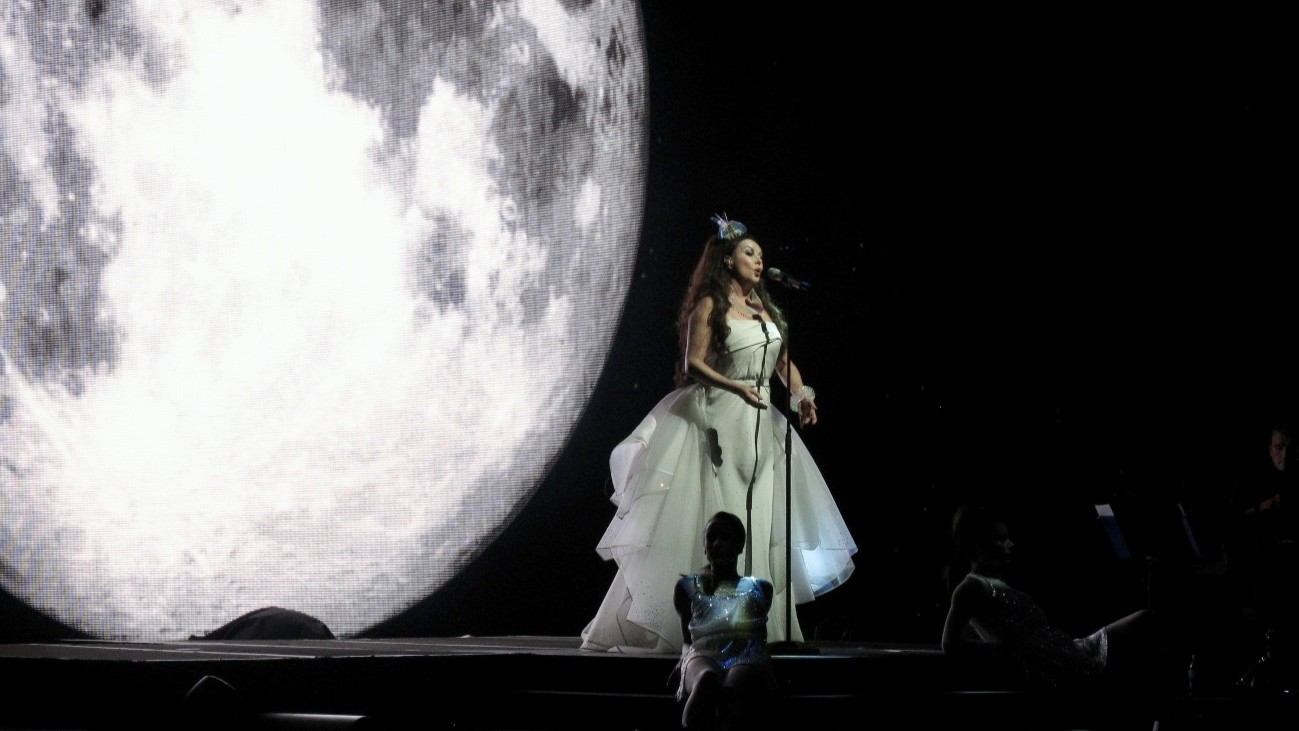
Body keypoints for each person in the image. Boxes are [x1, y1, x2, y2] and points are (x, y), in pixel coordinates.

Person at [580, 214, 857, 653]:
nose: (759, 261)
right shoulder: (711, 305)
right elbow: (693, 363)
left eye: (762, 256)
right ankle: (711, 625)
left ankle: (764, 625)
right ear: (727, 259)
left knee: (762, 517)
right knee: (725, 514)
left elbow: (783, 363)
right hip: (721, 417)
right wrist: (735, 387)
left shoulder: (766, 309)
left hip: (762, 421)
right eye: (750, 252)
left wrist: (802, 394)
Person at [941, 505, 1182, 694]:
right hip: (1053, 666)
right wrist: (1003, 652)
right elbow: (950, 644)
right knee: (1135, 687)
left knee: (1146, 621)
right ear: (977, 545)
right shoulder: (970, 588)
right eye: (1001, 539)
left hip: (1065, 650)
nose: (1010, 544)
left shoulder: (998, 582)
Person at [672, 511, 776, 729]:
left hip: (746, 654)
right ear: (704, 545)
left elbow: (760, 638)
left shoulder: (760, 588)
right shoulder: (688, 587)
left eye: (726, 537)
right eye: (712, 537)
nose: (718, 543)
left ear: (739, 546)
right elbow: (687, 639)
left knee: (736, 683)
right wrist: (683, 658)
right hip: (703, 653)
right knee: (706, 679)